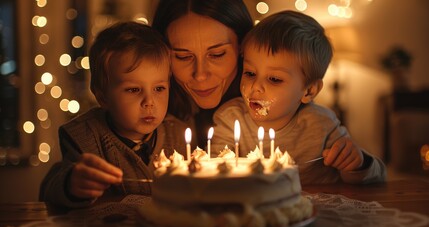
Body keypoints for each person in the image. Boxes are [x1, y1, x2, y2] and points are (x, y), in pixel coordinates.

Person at [151, 0, 366, 171]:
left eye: (217, 54)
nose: (200, 75)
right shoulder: (154, 117)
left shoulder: (316, 122)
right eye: (182, 56)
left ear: (242, 49)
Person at [210, 10, 387, 184]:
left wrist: (357, 163)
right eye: (249, 73)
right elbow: (213, 173)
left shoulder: (321, 124)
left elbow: (377, 177)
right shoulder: (230, 119)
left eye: (274, 79)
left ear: (309, 91)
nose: (255, 86)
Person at [39, 21, 188, 208]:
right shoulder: (83, 137)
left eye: (159, 88)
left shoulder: (180, 135)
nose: (149, 101)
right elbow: (49, 191)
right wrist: (72, 185)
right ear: (103, 96)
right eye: (134, 90)